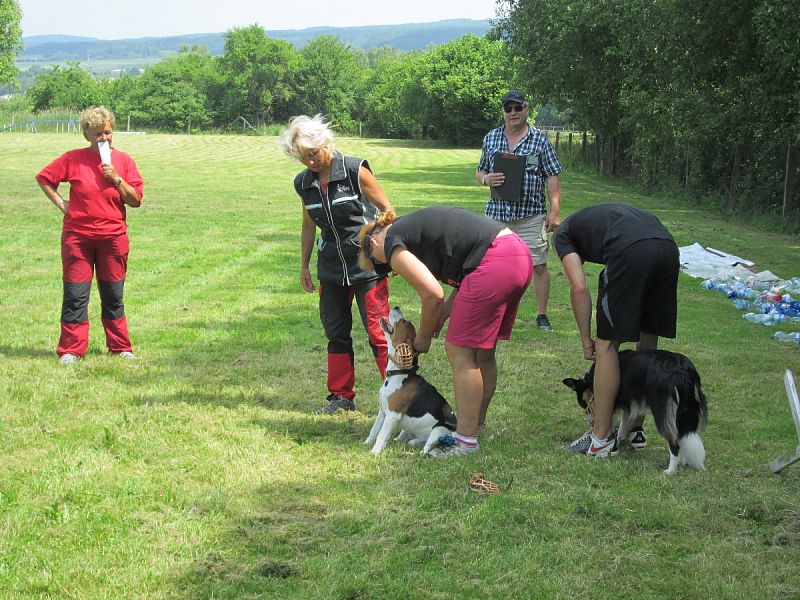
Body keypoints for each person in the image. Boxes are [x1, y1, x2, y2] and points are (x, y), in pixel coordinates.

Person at [359, 206, 533, 457]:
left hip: (495, 261)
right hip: (516, 254)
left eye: (378, 261)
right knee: (482, 353)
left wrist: (424, 337)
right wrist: (439, 319)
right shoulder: (409, 229)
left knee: (459, 351)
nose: (389, 267)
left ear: (374, 240)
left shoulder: (391, 242)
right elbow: (463, 280)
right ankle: (474, 427)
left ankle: (466, 441)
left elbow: (433, 295)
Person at [278, 114, 394, 414]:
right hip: (330, 269)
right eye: (304, 158)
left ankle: (396, 395)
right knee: (336, 332)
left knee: (379, 333)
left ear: (324, 144)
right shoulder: (303, 183)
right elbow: (307, 225)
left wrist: (376, 241)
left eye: (313, 154)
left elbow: (388, 211)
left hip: (367, 267)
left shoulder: (356, 170)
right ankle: (341, 397)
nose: (311, 162)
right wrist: (303, 265)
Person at [554, 203, 680, 457]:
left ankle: (600, 440)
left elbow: (578, 287)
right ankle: (635, 431)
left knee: (607, 345)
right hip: (668, 248)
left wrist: (585, 338)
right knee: (647, 340)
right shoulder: (600, 217)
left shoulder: (562, 236)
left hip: (630, 250)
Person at [35, 106, 144, 365]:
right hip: (78, 238)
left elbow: (136, 200)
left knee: (113, 294)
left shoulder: (124, 161)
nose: (104, 138)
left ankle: (120, 347)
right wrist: (62, 204)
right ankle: (71, 350)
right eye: (97, 134)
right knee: (76, 294)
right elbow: (44, 178)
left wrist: (116, 179)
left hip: (113, 237)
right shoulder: (73, 159)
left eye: (107, 132)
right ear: (86, 135)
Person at [476, 89, 562, 332]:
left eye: (518, 107)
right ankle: (492, 310)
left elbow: (552, 175)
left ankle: (542, 315)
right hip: (497, 216)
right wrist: (486, 180)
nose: (513, 112)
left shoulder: (540, 140)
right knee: (490, 264)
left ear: (527, 109)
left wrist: (554, 210)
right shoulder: (491, 138)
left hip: (531, 216)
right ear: (503, 111)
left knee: (538, 264)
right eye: (508, 108)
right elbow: (480, 171)